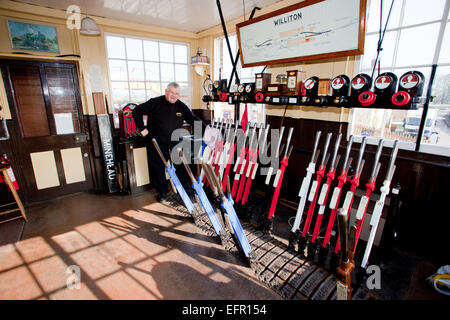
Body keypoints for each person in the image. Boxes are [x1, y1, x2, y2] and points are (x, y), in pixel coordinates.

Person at [132, 82, 204, 202]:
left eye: (177, 94)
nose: (174, 96)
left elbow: (193, 119)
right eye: (171, 92)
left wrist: (208, 131)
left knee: (181, 167)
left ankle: (185, 189)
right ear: (166, 92)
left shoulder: (181, 106)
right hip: (156, 143)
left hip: (175, 142)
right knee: (159, 169)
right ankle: (163, 192)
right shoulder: (155, 102)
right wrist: (143, 130)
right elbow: (137, 111)